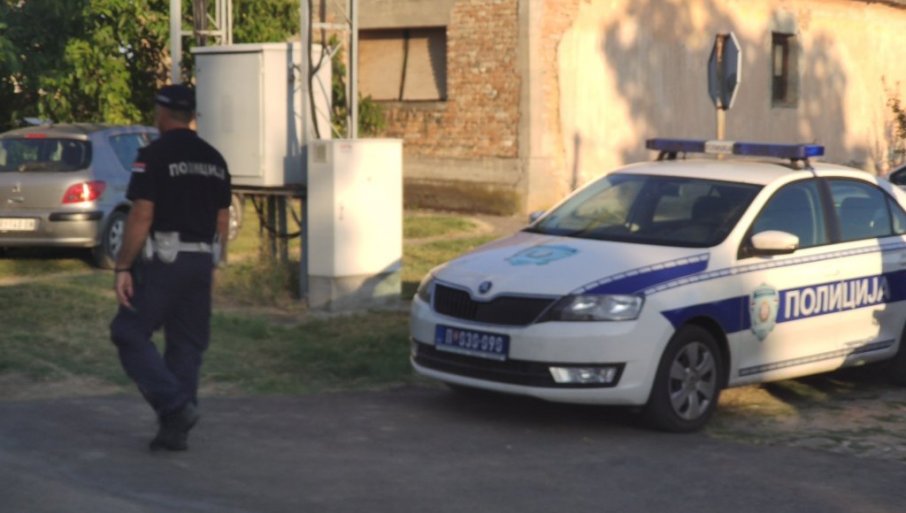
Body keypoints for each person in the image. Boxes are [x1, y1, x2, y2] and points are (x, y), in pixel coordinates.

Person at [110, 84, 231, 452]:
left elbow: (142, 214)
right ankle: (174, 432)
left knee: (129, 331)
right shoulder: (214, 158)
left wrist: (123, 266)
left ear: (162, 113)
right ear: (192, 115)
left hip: (164, 261)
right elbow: (222, 219)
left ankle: (175, 407)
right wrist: (214, 264)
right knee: (186, 345)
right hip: (200, 260)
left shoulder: (153, 155)